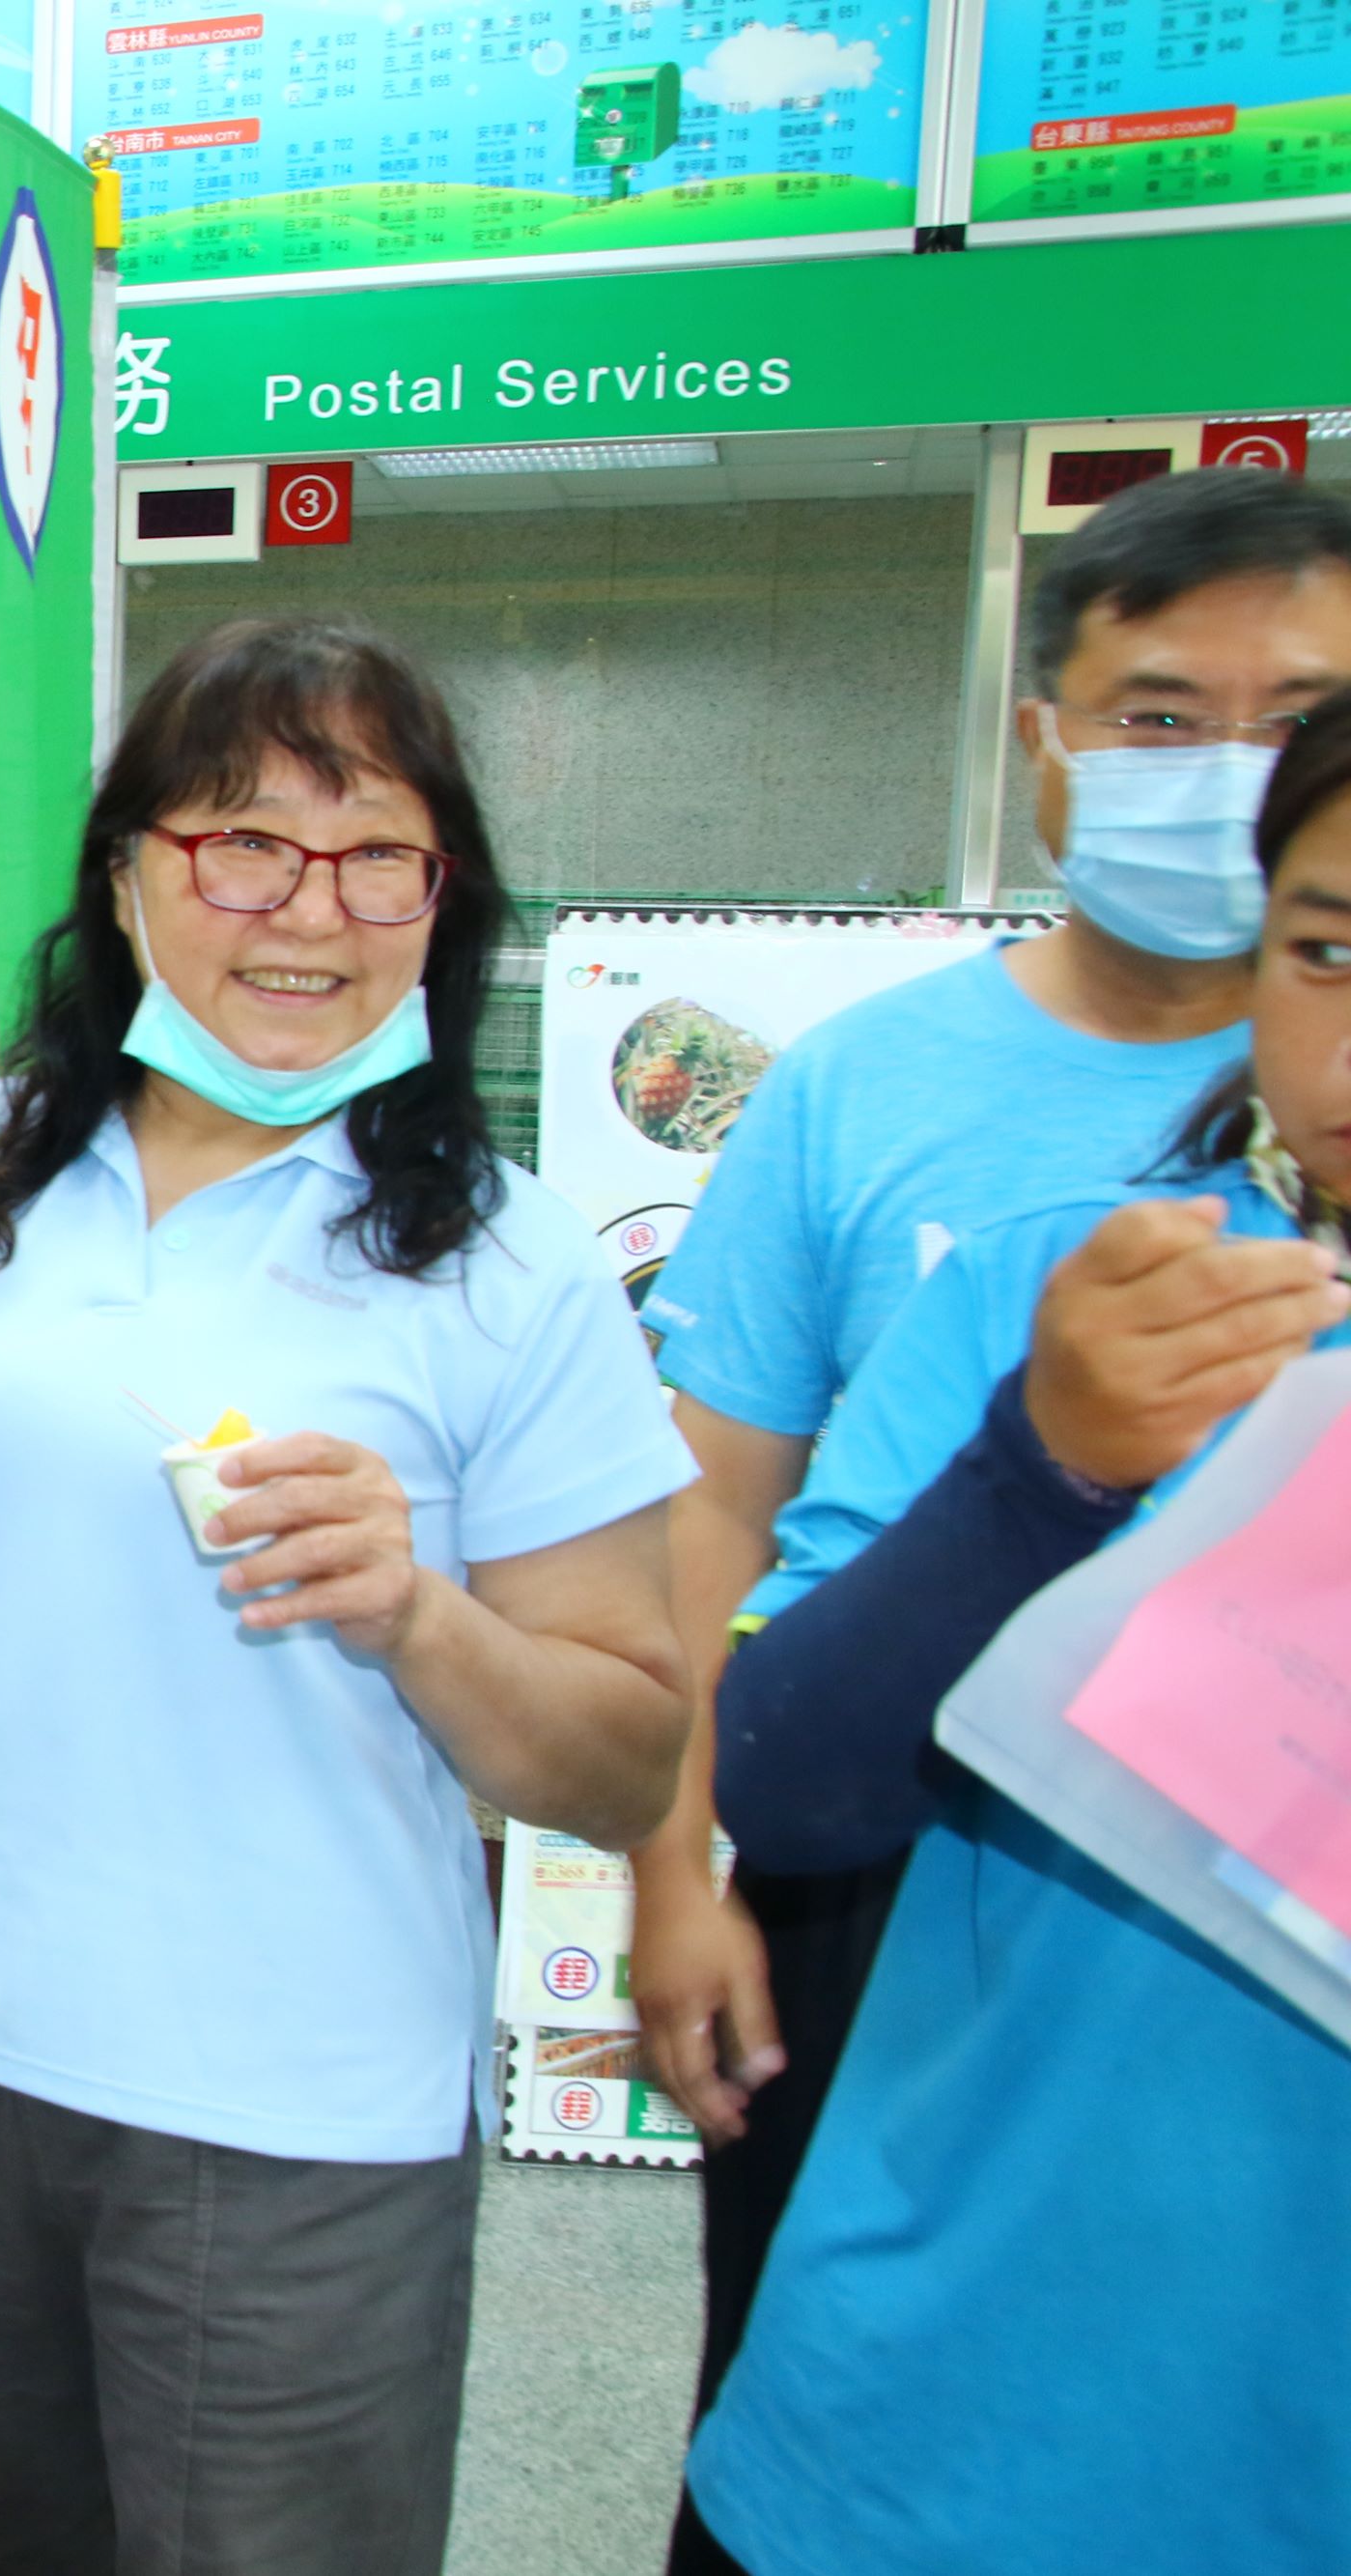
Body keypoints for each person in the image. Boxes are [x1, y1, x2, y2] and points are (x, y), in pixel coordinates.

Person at [0, 620, 693, 2575]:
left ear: (436, 898)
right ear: (126, 871)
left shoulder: (501, 1261)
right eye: (237, 842)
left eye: (372, 852)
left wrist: (415, 1609)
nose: (305, 911)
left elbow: (624, 1756)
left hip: (294, 2102)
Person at [626, 466, 1351, 2420]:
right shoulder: (870, 1097)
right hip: (889, 1882)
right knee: (822, 2368)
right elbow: (713, 1513)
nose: (1229, 770)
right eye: (1156, 720)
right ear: (1044, 751)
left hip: (1252, 2034)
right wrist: (671, 1866)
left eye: (1292, 718)